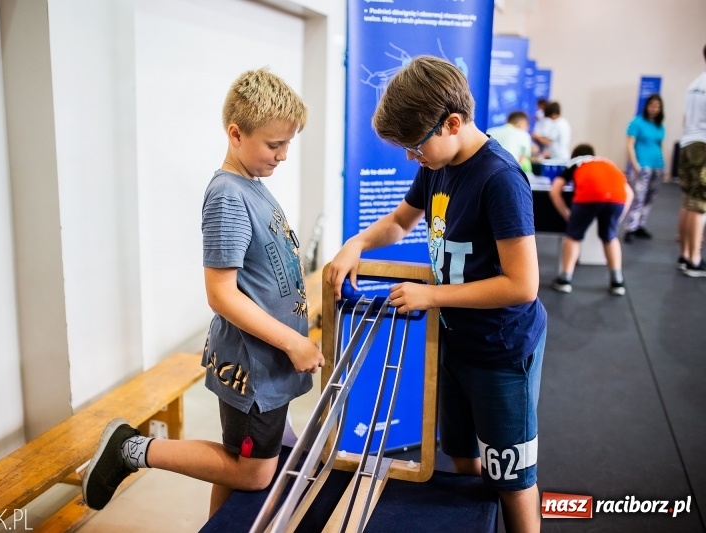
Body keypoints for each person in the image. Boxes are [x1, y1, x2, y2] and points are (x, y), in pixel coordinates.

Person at [81, 68, 325, 515]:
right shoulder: (229, 195)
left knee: (236, 464)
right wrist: (293, 340)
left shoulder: (252, 185)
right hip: (255, 367)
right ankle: (132, 449)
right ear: (236, 134)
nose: (284, 155)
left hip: (269, 362)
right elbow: (221, 293)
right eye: (275, 145)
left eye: (288, 143)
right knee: (252, 471)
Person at [327, 56, 547, 533]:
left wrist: (433, 297)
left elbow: (522, 286)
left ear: (451, 123)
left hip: (501, 351)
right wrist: (356, 244)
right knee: (463, 455)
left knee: (512, 478)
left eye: (414, 145)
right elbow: (400, 222)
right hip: (455, 343)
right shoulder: (436, 164)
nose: (411, 157)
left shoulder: (501, 180)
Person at [548, 144, 634, 295]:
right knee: (610, 237)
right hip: (617, 197)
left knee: (573, 237)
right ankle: (617, 282)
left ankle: (565, 279)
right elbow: (629, 193)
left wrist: (567, 214)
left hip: (588, 197)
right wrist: (617, 219)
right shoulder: (607, 162)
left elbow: (555, 190)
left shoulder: (576, 162)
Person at [677, 44, 706, 277]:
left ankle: (686, 255)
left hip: (687, 143)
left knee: (689, 202)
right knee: (699, 206)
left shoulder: (694, 83)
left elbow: (685, 118)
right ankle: (695, 259)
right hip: (703, 146)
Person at [624, 93, 666, 243]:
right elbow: (629, 144)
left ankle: (640, 225)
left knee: (650, 198)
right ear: (646, 106)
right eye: (652, 105)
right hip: (642, 164)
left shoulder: (659, 125)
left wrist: (663, 165)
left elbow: (660, 145)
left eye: (657, 106)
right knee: (638, 197)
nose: (654, 109)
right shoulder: (637, 122)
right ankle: (631, 228)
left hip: (658, 165)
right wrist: (634, 164)